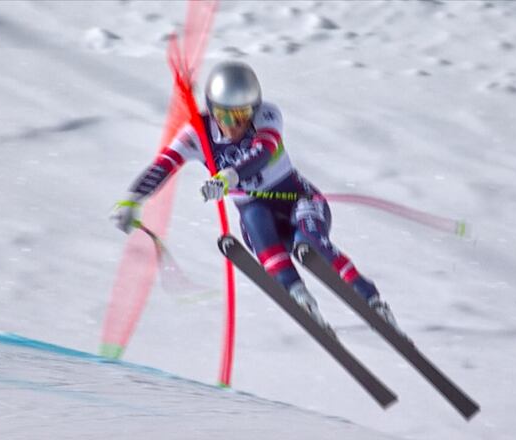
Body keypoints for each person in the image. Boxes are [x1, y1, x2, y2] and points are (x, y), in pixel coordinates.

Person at [111, 61, 399, 333]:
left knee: (309, 239)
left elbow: (262, 152)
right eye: (226, 117)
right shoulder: (197, 134)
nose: (235, 125)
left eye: (242, 116)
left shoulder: (268, 115)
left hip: (300, 200)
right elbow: (164, 164)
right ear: (212, 112)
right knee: (255, 222)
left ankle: (370, 299)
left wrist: (228, 177)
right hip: (258, 213)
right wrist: (133, 199)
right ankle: (299, 297)